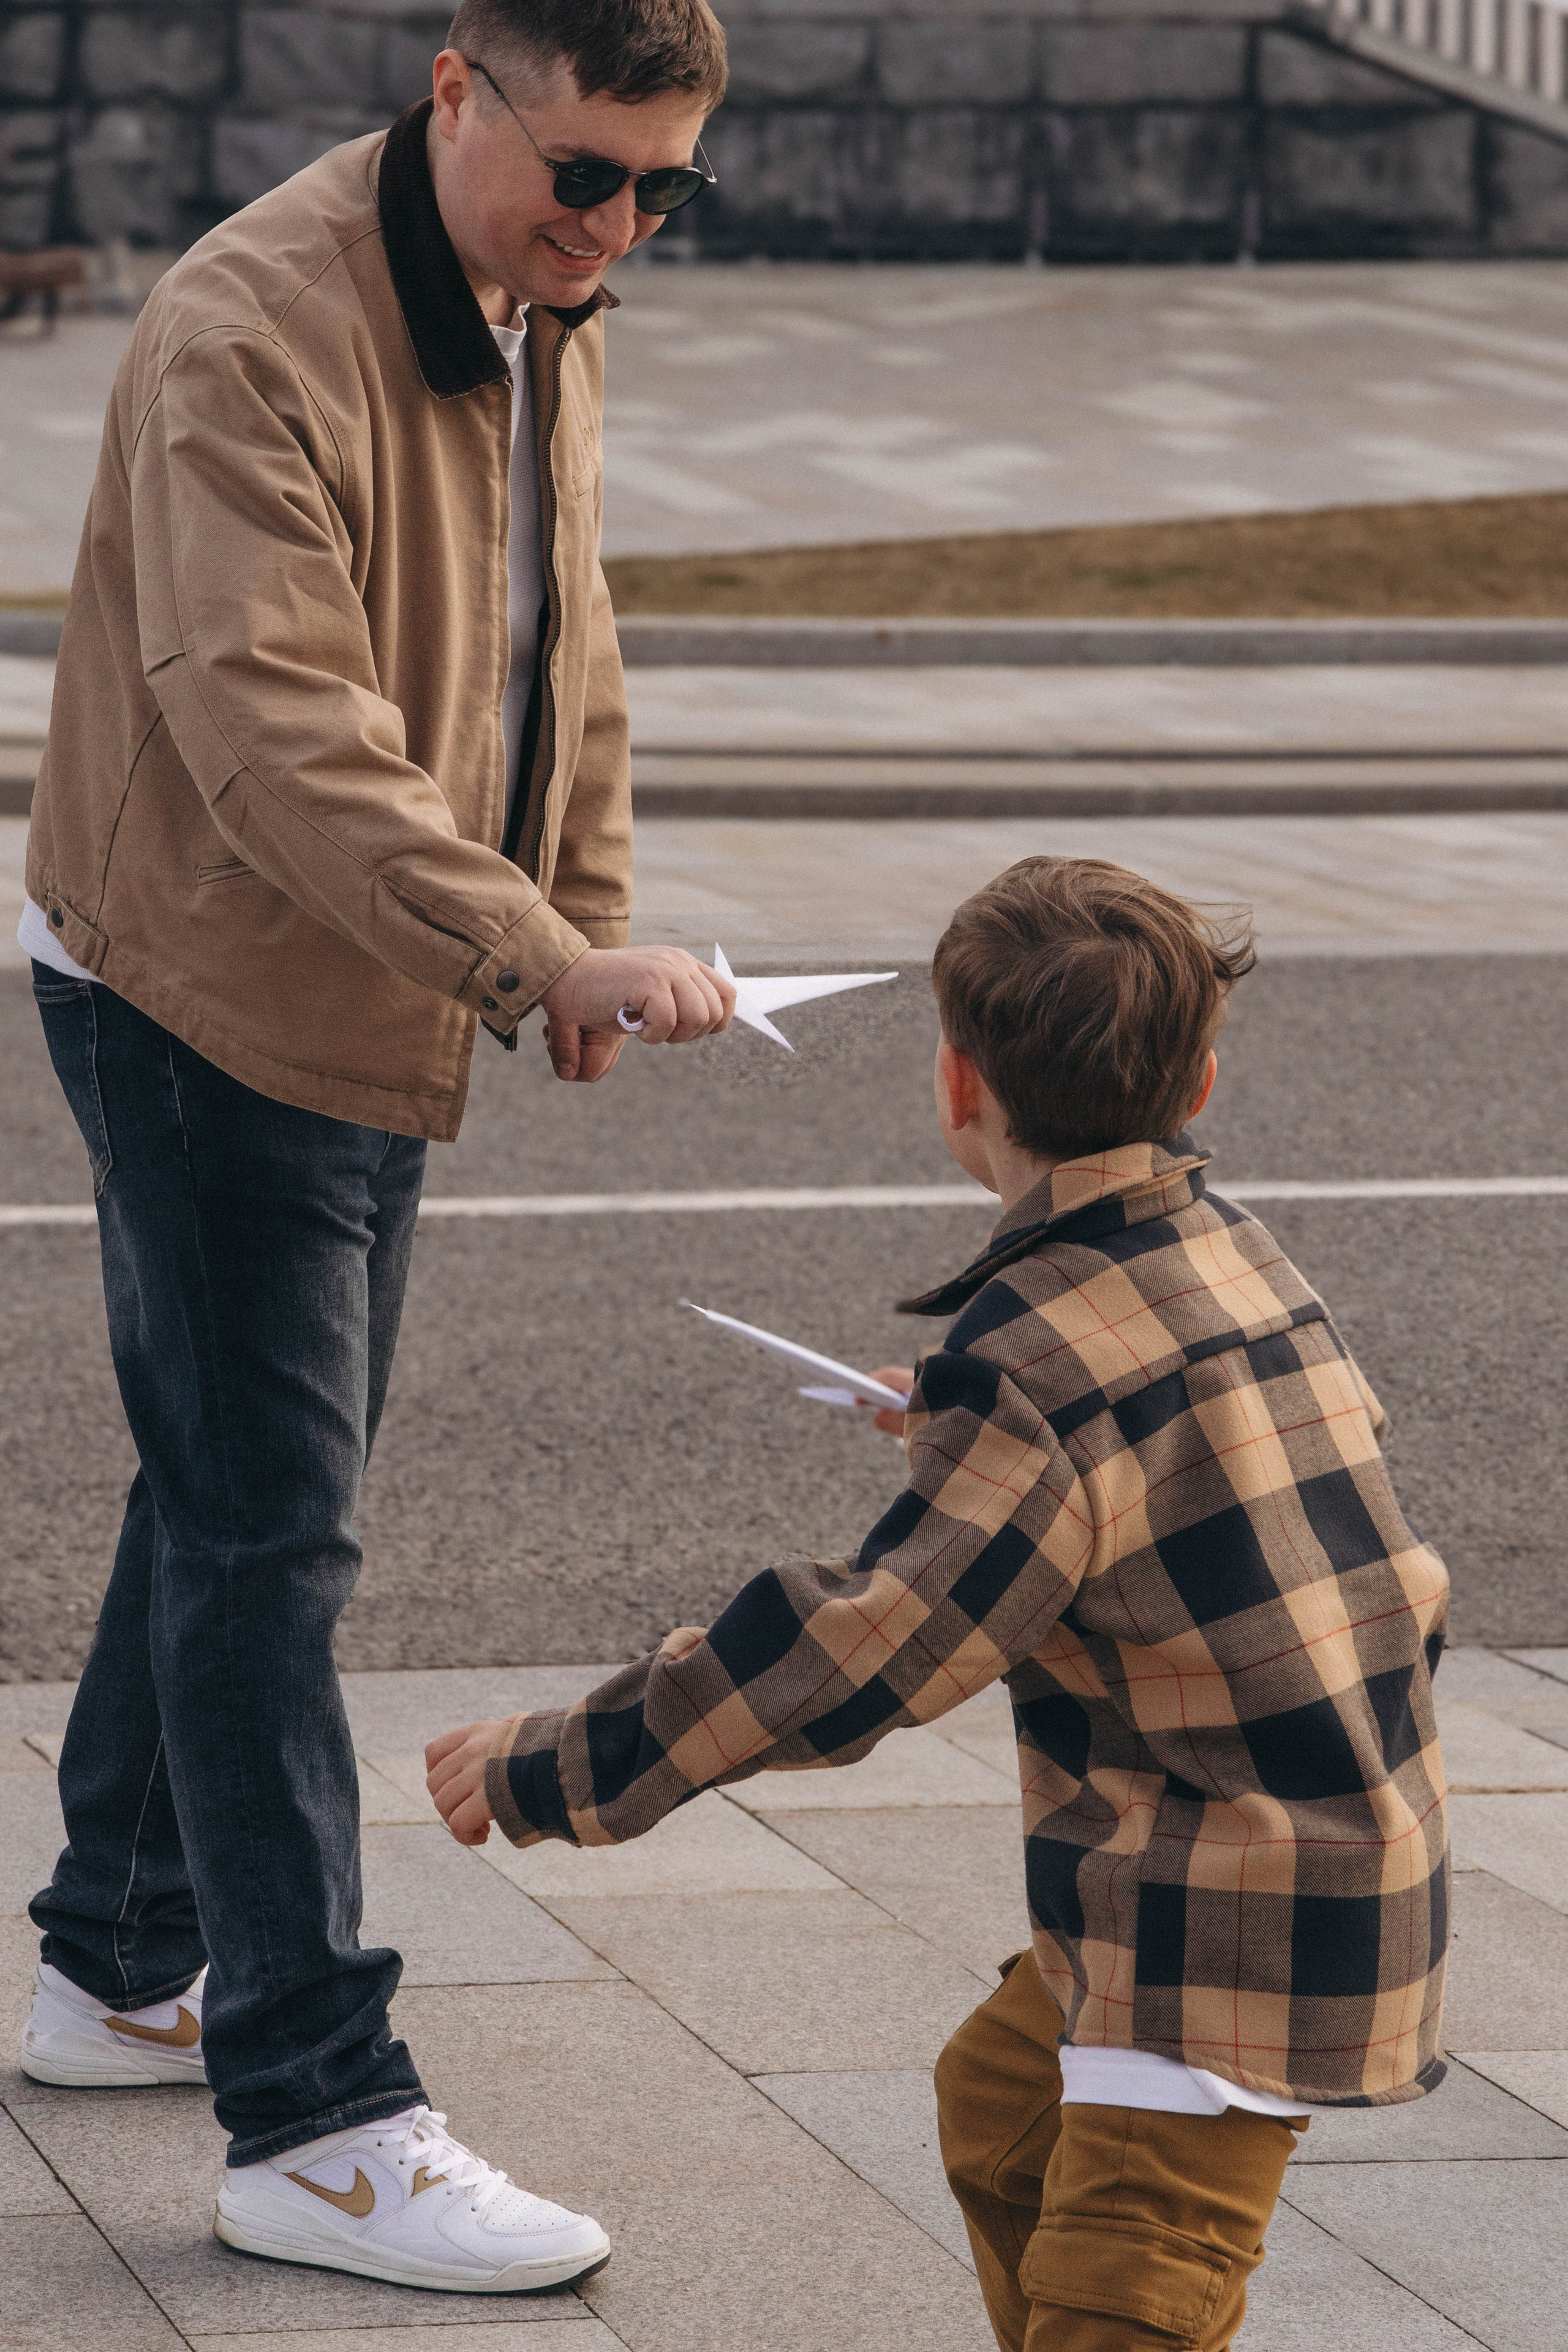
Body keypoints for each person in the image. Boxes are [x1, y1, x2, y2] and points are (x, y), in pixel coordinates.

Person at [19, 0, 733, 2296]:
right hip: (211, 981)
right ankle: (311, 2117)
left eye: (661, 189)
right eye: (585, 172)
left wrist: (584, 926)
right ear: (457, 90)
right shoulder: (252, 324)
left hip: (380, 974)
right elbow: (271, 727)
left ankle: (122, 1953)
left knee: (232, 1474)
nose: (616, 226)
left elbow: (564, 643)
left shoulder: (544, 300)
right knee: (270, 1530)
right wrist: (526, 954)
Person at [426, 855, 1452, 2348]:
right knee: (998, 2107)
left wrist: (555, 1765)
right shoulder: (1229, 1251)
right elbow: (1186, 1456)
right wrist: (967, 1433)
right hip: (1345, 1840)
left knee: (1129, 2287)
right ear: (1204, 1083)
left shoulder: (1029, 1361)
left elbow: (860, 1651)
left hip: (1217, 1915)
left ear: (957, 1085)